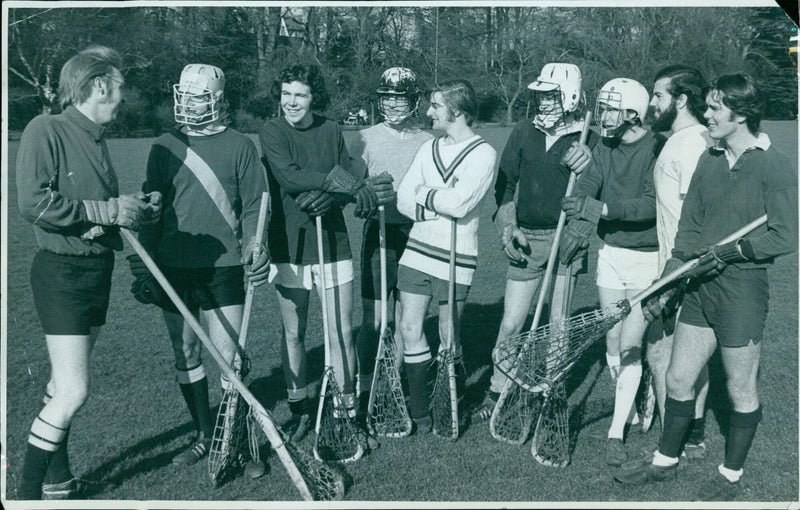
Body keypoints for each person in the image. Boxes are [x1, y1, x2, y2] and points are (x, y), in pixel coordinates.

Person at [615, 73, 797, 501]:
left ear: (742, 113)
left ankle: (731, 474)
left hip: (742, 291)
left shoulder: (773, 164)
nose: (708, 114)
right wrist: (671, 276)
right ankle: (665, 463)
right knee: (678, 379)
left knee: (740, 386)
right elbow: (690, 225)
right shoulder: (710, 158)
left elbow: (787, 235)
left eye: (716, 108)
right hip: (699, 287)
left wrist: (730, 253)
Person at [15, 45, 155, 499]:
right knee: (73, 392)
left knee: (60, 385)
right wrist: (108, 209)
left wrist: (135, 210)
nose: (122, 96)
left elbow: (98, 217)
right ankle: (25, 496)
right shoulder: (46, 128)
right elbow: (33, 202)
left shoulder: (97, 137)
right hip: (61, 273)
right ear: (98, 85)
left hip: (96, 271)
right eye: (118, 87)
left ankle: (58, 483)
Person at [129, 63, 270, 468]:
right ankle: (205, 434)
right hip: (173, 267)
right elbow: (151, 207)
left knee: (230, 356)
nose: (189, 104)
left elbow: (256, 203)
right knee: (185, 349)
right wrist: (144, 266)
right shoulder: (163, 146)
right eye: (184, 96)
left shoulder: (240, 144)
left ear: (217, 100)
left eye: (198, 97)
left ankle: (237, 440)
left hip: (224, 266)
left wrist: (255, 245)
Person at [259, 63, 394, 441]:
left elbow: (350, 167)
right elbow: (289, 176)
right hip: (289, 245)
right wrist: (343, 184)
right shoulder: (271, 130)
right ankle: (300, 406)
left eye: (299, 95)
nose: (291, 102)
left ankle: (346, 410)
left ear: (313, 97)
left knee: (340, 333)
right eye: (285, 94)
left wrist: (340, 188)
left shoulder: (332, 129)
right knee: (294, 333)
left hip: (333, 243)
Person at [471, 63, 595, 423]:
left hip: (567, 240)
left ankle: (551, 392)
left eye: (551, 95)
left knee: (558, 325)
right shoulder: (524, 131)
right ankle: (499, 389)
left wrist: (582, 224)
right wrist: (508, 226)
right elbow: (504, 185)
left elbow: (597, 191)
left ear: (570, 96)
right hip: (528, 239)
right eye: (539, 95)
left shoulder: (589, 138)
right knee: (511, 323)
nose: (543, 102)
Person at [560, 78, 665, 466]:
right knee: (611, 341)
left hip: (646, 256)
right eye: (601, 107)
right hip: (611, 254)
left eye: (610, 109)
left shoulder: (658, 146)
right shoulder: (603, 145)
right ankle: (633, 405)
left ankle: (616, 430)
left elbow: (651, 205)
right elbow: (590, 184)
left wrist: (602, 210)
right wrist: (578, 216)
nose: (603, 116)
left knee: (629, 344)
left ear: (633, 114)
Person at [395, 80, 497, 433]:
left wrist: (426, 193)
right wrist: (434, 198)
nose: (428, 111)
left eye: (436, 105)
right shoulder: (429, 148)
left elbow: (461, 204)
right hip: (418, 249)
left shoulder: (483, 153)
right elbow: (403, 198)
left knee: (447, 334)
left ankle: (447, 402)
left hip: (457, 254)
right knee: (409, 327)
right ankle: (421, 411)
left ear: (458, 111)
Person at [348, 67, 434, 418]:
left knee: (407, 318)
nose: (394, 103)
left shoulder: (429, 139)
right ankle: (365, 384)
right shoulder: (364, 137)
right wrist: (364, 194)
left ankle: (394, 382)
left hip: (418, 233)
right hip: (379, 232)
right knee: (374, 319)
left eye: (401, 97)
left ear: (413, 100)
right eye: (388, 97)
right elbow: (353, 186)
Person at [642, 64, 713, 460]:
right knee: (690, 357)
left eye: (658, 95)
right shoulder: (681, 140)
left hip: (684, 271)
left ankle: (673, 445)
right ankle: (694, 438)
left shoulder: (691, 145)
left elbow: (699, 214)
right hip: (680, 268)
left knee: (662, 354)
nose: (653, 103)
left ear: (680, 100)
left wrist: (674, 276)